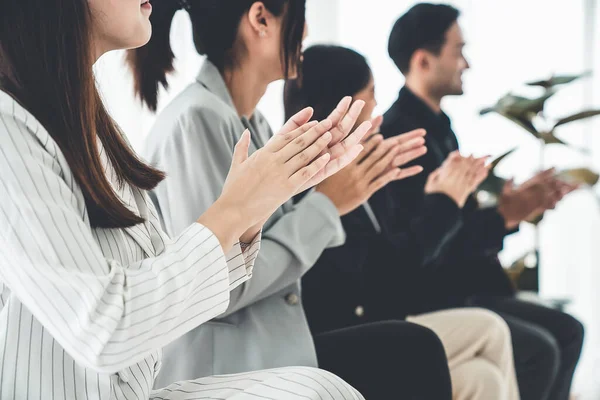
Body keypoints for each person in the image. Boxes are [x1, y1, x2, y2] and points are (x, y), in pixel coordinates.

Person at [0, 0, 369, 398]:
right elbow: (103, 326)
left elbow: (158, 275)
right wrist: (242, 207)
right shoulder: (11, 129)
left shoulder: (90, 125)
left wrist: (254, 206)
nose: (308, 34)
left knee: (325, 388)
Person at [128, 1, 455, 398]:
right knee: (415, 349)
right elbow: (216, 286)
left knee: (416, 348)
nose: (306, 32)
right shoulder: (195, 120)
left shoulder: (252, 123)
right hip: (224, 370)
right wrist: (326, 205)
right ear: (261, 18)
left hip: (274, 351)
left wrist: (340, 187)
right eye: (299, 17)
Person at [285, 44, 521, 400]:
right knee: (492, 329)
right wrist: (443, 203)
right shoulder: (314, 183)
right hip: (345, 335)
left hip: (384, 317)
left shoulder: (364, 165)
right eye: (372, 94)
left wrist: (445, 200)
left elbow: (398, 256)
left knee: (481, 379)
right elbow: (390, 277)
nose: (378, 107)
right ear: (343, 106)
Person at [377, 4, 584, 400]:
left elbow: (456, 223)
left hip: (463, 287)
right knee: (544, 346)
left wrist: (513, 207)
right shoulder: (403, 137)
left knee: (567, 330)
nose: (466, 63)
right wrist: (506, 215)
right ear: (423, 60)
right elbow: (429, 249)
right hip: (437, 297)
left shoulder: (439, 127)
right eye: (458, 51)